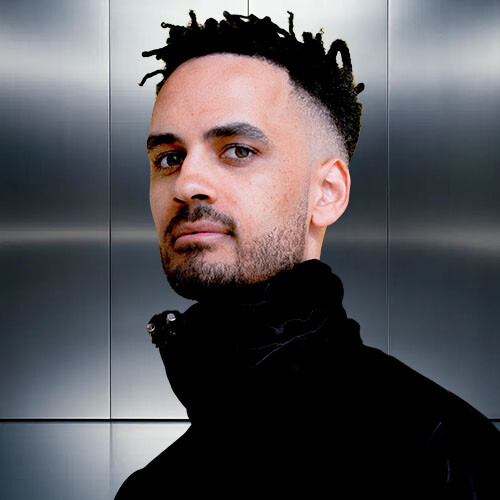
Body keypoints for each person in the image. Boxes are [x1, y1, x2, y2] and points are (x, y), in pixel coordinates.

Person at [115, 10, 499, 499]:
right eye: (169, 158)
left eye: (237, 150)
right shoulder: (150, 491)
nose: (186, 184)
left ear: (327, 193)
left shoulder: (447, 456)